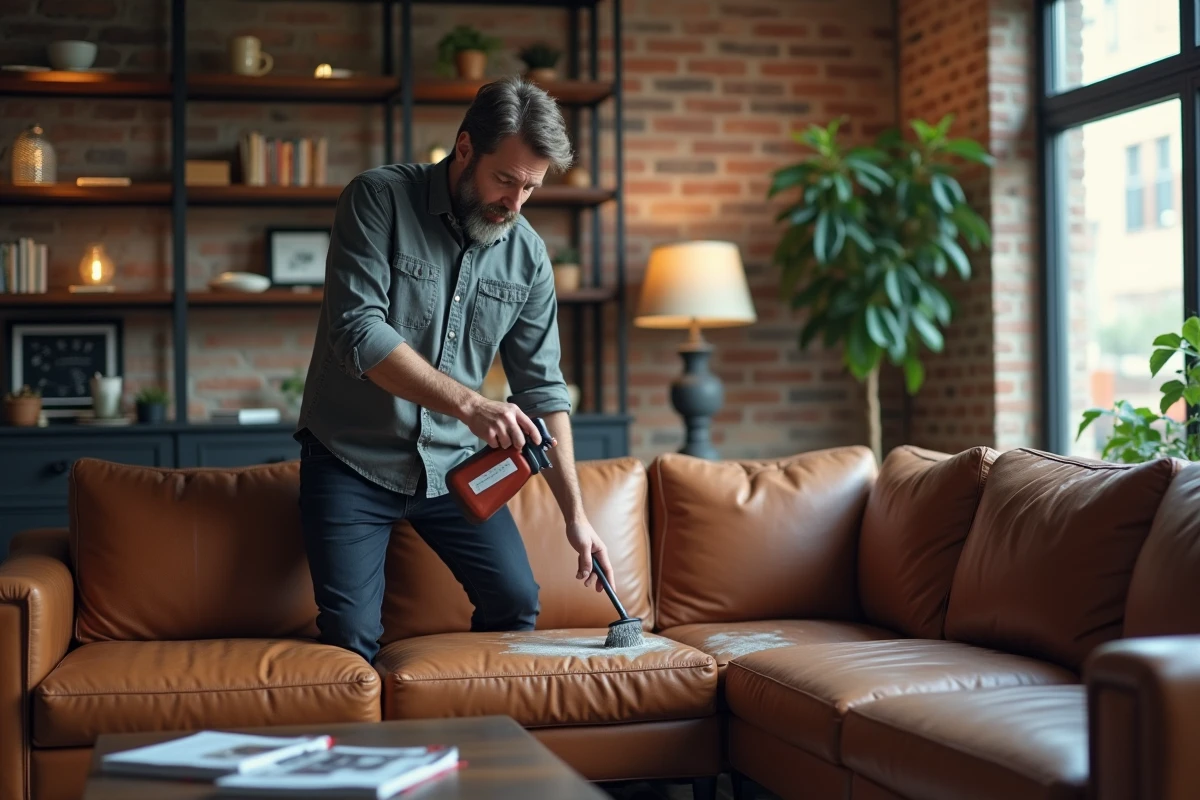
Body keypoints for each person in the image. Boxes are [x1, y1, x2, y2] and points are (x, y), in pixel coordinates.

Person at [292, 76, 615, 664]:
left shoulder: (528, 255)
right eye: (505, 179)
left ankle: (476, 719)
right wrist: (471, 404)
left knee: (516, 603)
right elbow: (358, 331)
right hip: (350, 459)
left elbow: (544, 389)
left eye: (531, 188)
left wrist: (576, 517)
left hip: (453, 471)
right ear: (465, 148)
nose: (515, 204)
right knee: (350, 638)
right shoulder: (377, 199)